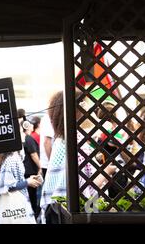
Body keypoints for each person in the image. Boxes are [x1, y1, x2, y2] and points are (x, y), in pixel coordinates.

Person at [40, 91, 117, 224]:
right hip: (74, 214)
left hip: (57, 211)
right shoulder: (76, 139)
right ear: (75, 110)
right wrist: (107, 171)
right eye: (83, 105)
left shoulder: (61, 139)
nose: (86, 109)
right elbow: (85, 187)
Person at [22, 117, 42, 216]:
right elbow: (33, 154)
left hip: (26, 171)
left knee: (29, 195)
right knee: (32, 196)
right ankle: (33, 215)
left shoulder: (24, 138)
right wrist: (40, 167)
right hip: (30, 172)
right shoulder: (28, 138)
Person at [39, 113, 54, 179]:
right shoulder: (49, 118)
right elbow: (47, 142)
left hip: (47, 163)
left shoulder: (46, 117)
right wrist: (53, 163)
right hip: (49, 164)